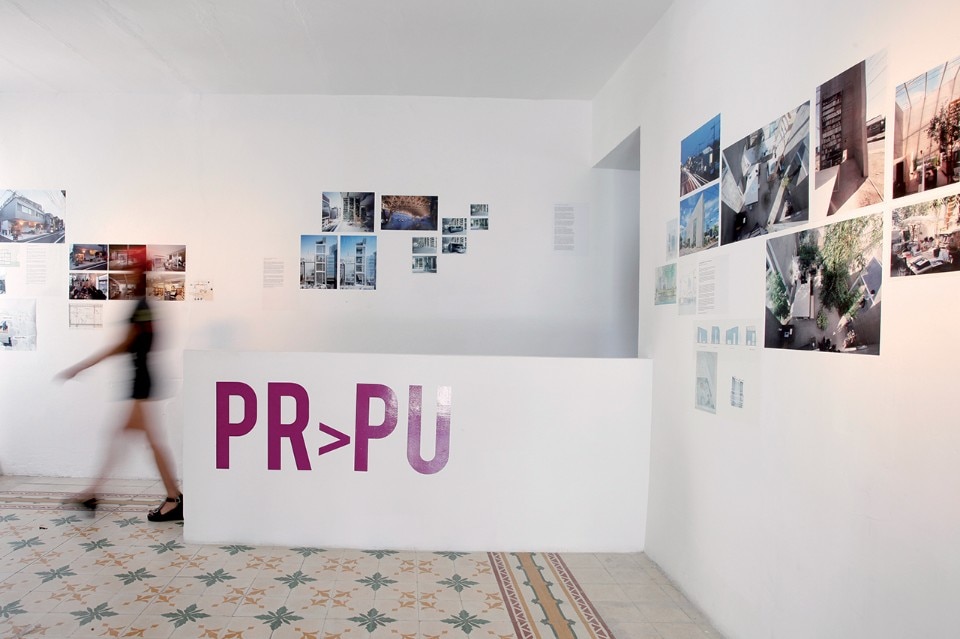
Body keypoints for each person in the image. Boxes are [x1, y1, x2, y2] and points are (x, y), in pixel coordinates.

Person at [58, 262, 182, 521]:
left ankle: (173, 498)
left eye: (132, 273)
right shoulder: (144, 305)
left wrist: (83, 365)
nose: (128, 278)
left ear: (140, 276)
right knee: (125, 437)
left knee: (145, 441)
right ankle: (94, 493)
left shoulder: (142, 306)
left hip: (141, 382)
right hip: (141, 380)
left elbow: (125, 343)